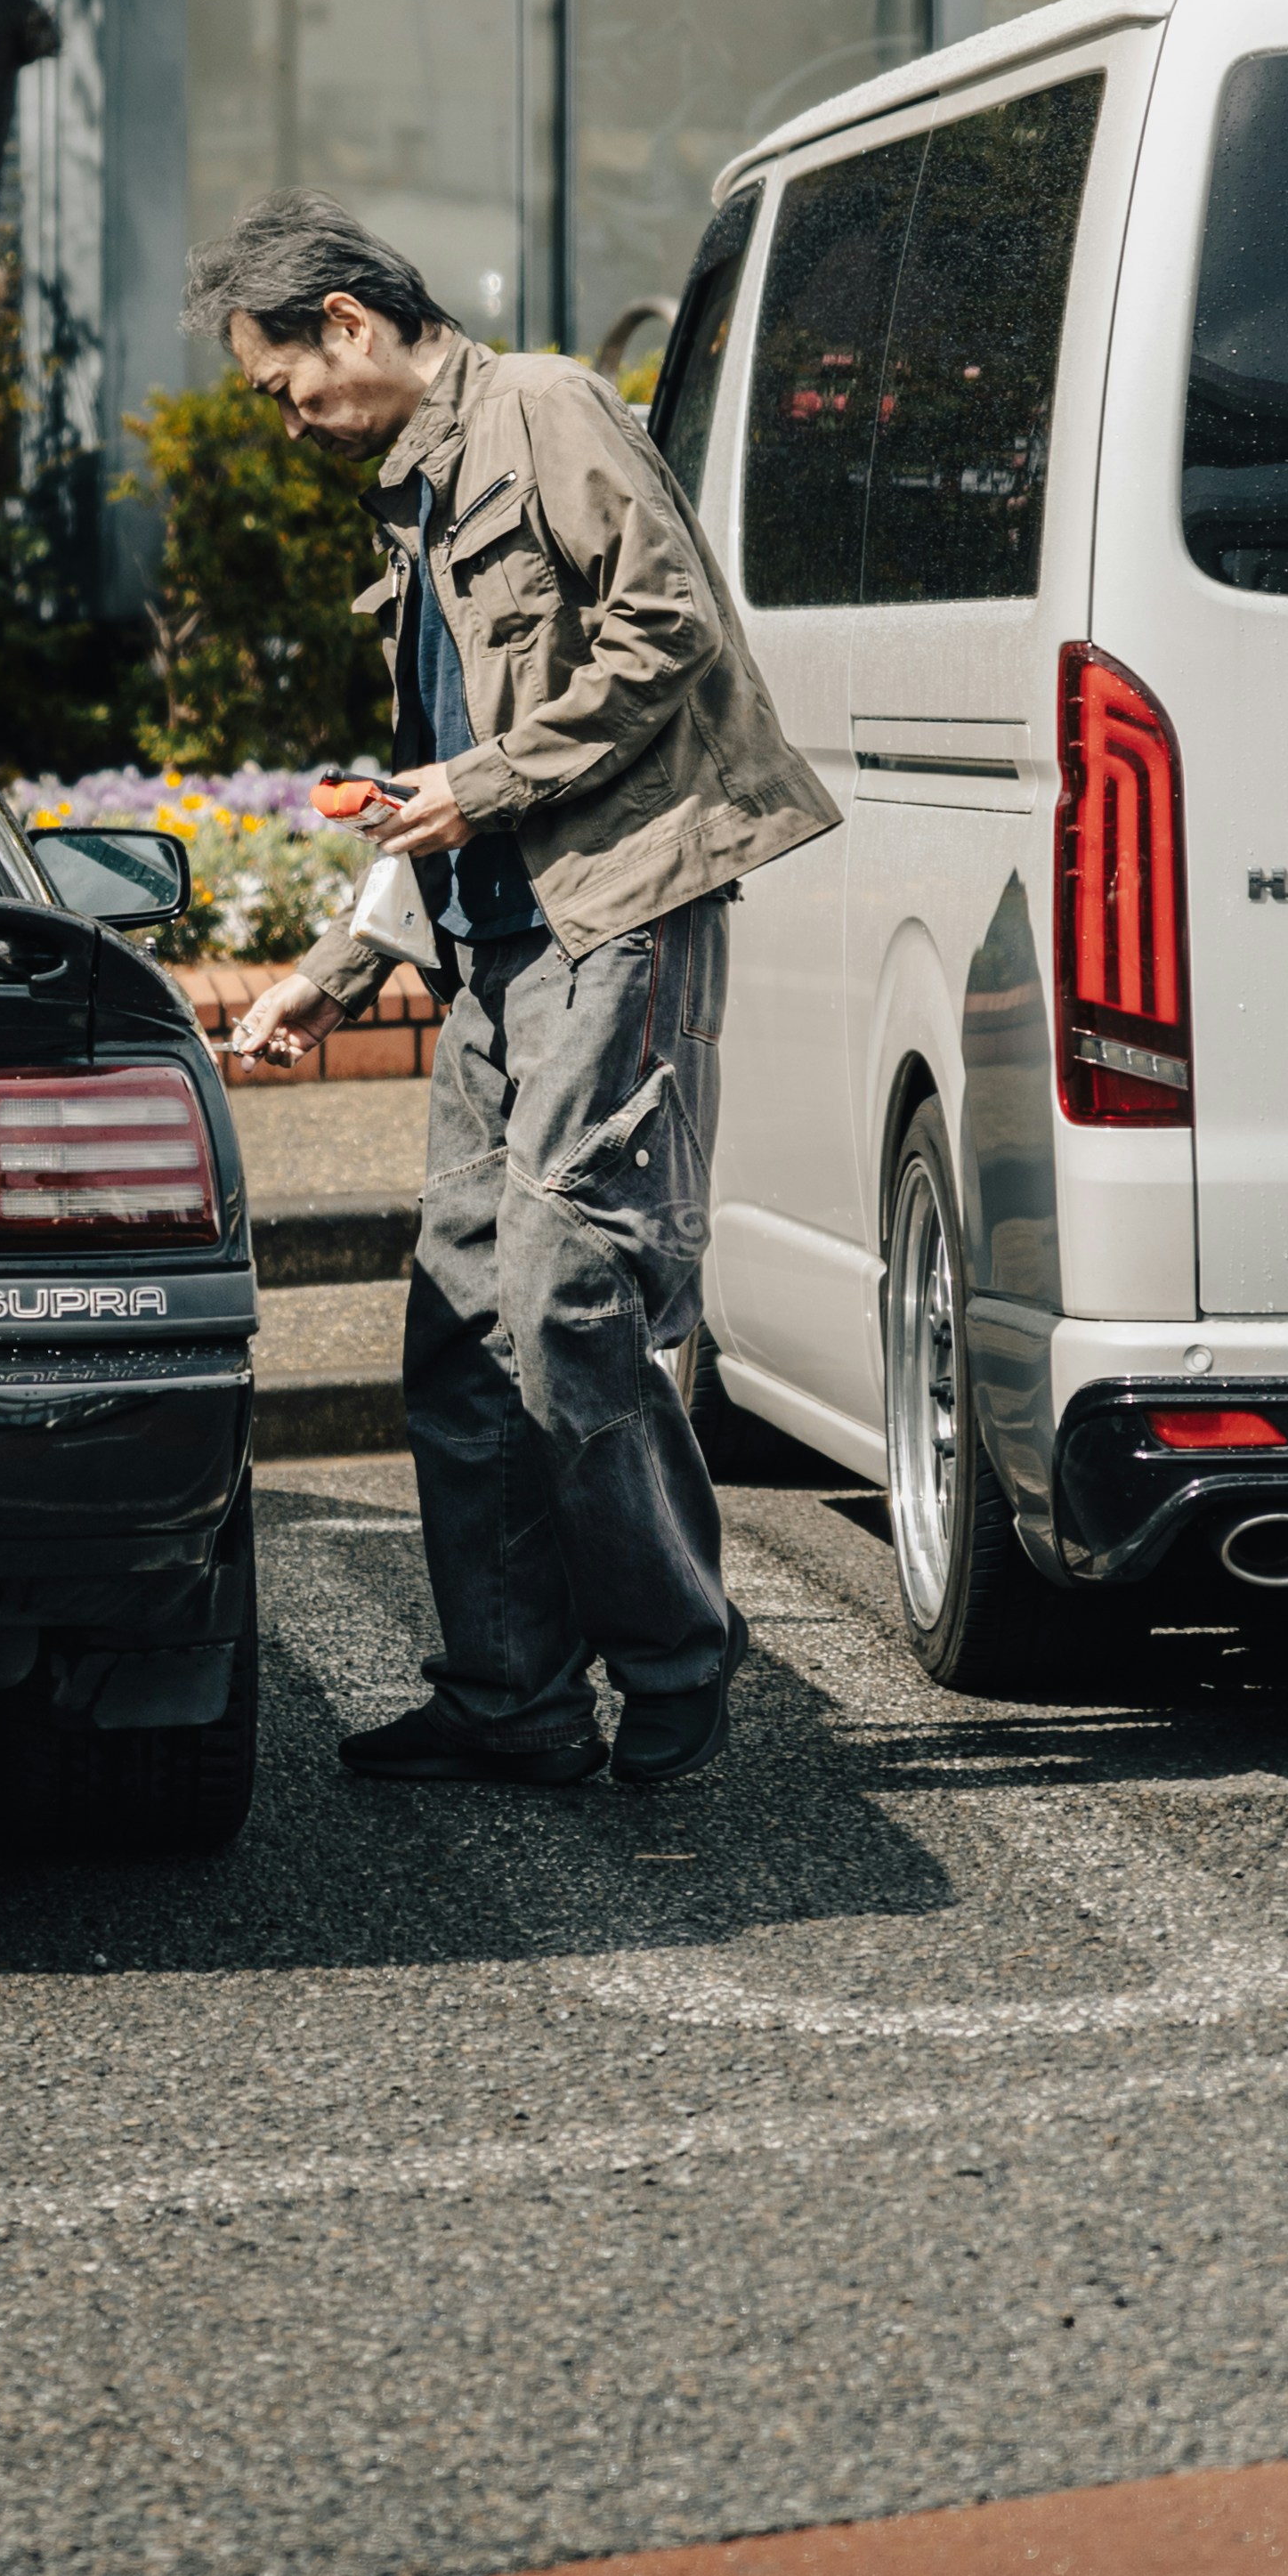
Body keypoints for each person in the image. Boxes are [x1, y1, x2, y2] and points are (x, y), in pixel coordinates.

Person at [193, 195, 836, 1792]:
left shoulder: (546, 407)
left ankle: (677, 1649)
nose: (289, 420)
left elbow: (669, 623)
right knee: (460, 1336)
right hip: (497, 947)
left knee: (562, 1298)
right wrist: (333, 976)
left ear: (347, 320)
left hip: (616, 914)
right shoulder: (412, 495)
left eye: (283, 384)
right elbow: (441, 787)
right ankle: (512, 1700)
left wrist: (480, 782)